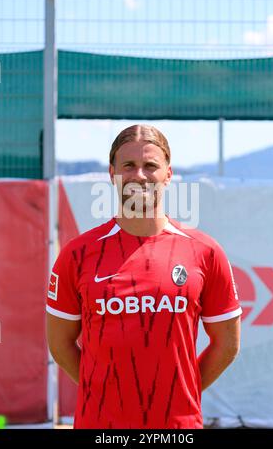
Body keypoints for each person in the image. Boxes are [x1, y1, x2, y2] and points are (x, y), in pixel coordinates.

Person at [46, 124, 242, 429]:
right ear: (112, 173)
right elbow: (60, 345)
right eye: (129, 165)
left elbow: (226, 344)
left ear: (168, 173)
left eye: (150, 165)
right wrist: (103, 394)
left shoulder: (205, 252)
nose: (139, 175)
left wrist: (179, 394)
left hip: (179, 428)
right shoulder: (77, 255)